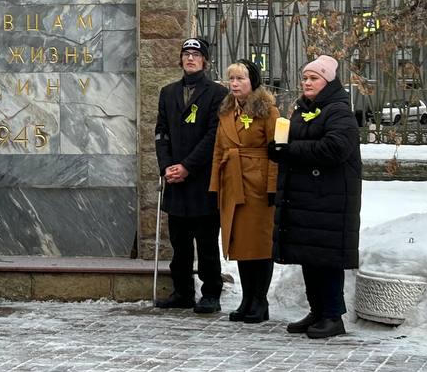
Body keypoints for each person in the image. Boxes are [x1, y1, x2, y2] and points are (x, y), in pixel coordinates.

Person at [269, 55, 363, 339]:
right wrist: (276, 149)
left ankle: (333, 316)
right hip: (307, 197)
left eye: (314, 78)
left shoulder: (338, 111)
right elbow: (295, 143)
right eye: (305, 78)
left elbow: (335, 148)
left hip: (330, 199)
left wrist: (291, 152)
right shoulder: (303, 108)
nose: (307, 82)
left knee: (327, 258)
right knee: (309, 256)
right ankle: (317, 311)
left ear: (328, 81)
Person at [154, 37, 228, 313]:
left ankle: (211, 292)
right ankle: (182, 291)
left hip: (201, 179)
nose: (190, 59)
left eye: (196, 55)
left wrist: (187, 166)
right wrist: (167, 166)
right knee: (179, 243)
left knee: (206, 242)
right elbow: (161, 132)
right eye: (186, 54)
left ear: (205, 61)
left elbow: (213, 136)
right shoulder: (168, 92)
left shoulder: (216, 93)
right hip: (175, 180)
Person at [210, 59, 278, 323]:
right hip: (233, 183)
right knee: (240, 244)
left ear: (253, 82)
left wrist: (273, 186)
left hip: (257, 186)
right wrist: (216, 185)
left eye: (240, 79)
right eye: (232, 79)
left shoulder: (267, 111)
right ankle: (247, 298)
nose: (235, 84)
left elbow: (276, 152)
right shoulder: (226, 112)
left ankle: (260, 300)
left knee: (259, 245)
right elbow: (219, 150)